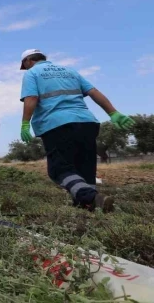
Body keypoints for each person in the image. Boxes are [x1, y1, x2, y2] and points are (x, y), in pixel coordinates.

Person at [19, 49, 135, 212]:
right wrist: (113, 112)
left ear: (27, 61)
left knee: (59, 169)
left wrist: (25, 123)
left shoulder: (32, 73)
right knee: (85, 168)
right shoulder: (69, 71)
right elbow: (94, 92)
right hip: (87, 122)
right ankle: (89, 207)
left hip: (57, 124)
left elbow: (31, 98)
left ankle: (90, 197)